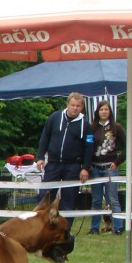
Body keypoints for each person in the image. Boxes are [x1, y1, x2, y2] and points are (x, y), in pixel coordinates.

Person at [36, 92, 94, 220]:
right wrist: (40, 157)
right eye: (72, 105)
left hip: (73, 166)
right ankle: (41, 224)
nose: (75, 108)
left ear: (82, 107)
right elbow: (44, 137)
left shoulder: (86, 125)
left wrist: (85, 167)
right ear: (67, 104)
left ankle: (65, 229)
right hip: (53, 163)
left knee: (69, 198)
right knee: (45, 196)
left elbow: (89, 148)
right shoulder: (55, 117)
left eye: (78, 106)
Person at [88, 101, 125, 235]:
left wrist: (117, 161)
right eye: (101, 109)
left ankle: (118, 227)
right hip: (95, 168)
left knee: (112, 199)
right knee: (96, 200)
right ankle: (94, 228)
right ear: (97, 111)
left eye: (106, 109)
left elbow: (127, 147)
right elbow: (86, 147)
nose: (104, 112)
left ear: (110, 112)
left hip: (110, 168)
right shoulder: (91, 128)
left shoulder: (117, 128)